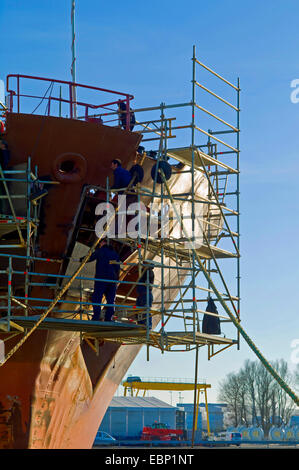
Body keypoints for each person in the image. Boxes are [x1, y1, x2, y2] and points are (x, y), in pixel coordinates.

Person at [82, 239, 120, 321]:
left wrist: (79, 259)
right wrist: (117, 279)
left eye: (101, 242)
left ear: (104, 243)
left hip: (101, 278)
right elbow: (117, 268)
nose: (99, 243)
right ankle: (109, 318)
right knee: (111, 300)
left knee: (97, 298)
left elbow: (90, 258)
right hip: (112, 280)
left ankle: (96, 317)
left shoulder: (101, 251)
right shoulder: (114, 254)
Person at [136, 262, 154, 329]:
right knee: (138, 311)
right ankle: (140, 324)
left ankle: (147, 325)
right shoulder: (146, 272)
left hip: (145, 295)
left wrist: (141, 268)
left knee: (145, 310)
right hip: (141, 295)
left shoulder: (149, 272)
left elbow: (146, 276)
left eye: (144, 263)